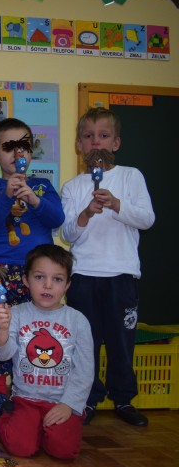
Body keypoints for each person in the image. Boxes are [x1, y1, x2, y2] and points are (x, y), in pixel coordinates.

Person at [61, 107, 155, 427]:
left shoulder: (131, 176)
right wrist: (87, 212)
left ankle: (123, 398)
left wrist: (116, 204)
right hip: (83, 275)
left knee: (121, 341)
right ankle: (87, 399)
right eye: (88, 137)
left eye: (103, 136)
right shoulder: (73, 187)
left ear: (115, 143)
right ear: (79, 145)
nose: (96, 142)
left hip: (122, 274)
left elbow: (147, 219)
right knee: (85, 343)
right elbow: (68, 234)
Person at [0, 118, 65, 417]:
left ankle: (29, 390)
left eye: (23, 146)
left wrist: (34, 199)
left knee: (34, 332)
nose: (17, 153)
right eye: (8, 147)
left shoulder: (43, 185)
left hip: (37, 274)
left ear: (31, 152)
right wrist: (6, 196)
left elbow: (57, 219)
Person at [0, 244, 93, 459]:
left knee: (64, 451)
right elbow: (2, 355)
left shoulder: (78, 320)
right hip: (26, 400)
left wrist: (68, 405)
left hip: (62, 401)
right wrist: (3, 330)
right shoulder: (16, 314)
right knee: (21, 447)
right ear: (26, 280)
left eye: (57, 279)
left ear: (67, 285)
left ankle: (42, 430)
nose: (47, 285)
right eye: (39, 277)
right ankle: (7, 417)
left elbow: (85, 370)